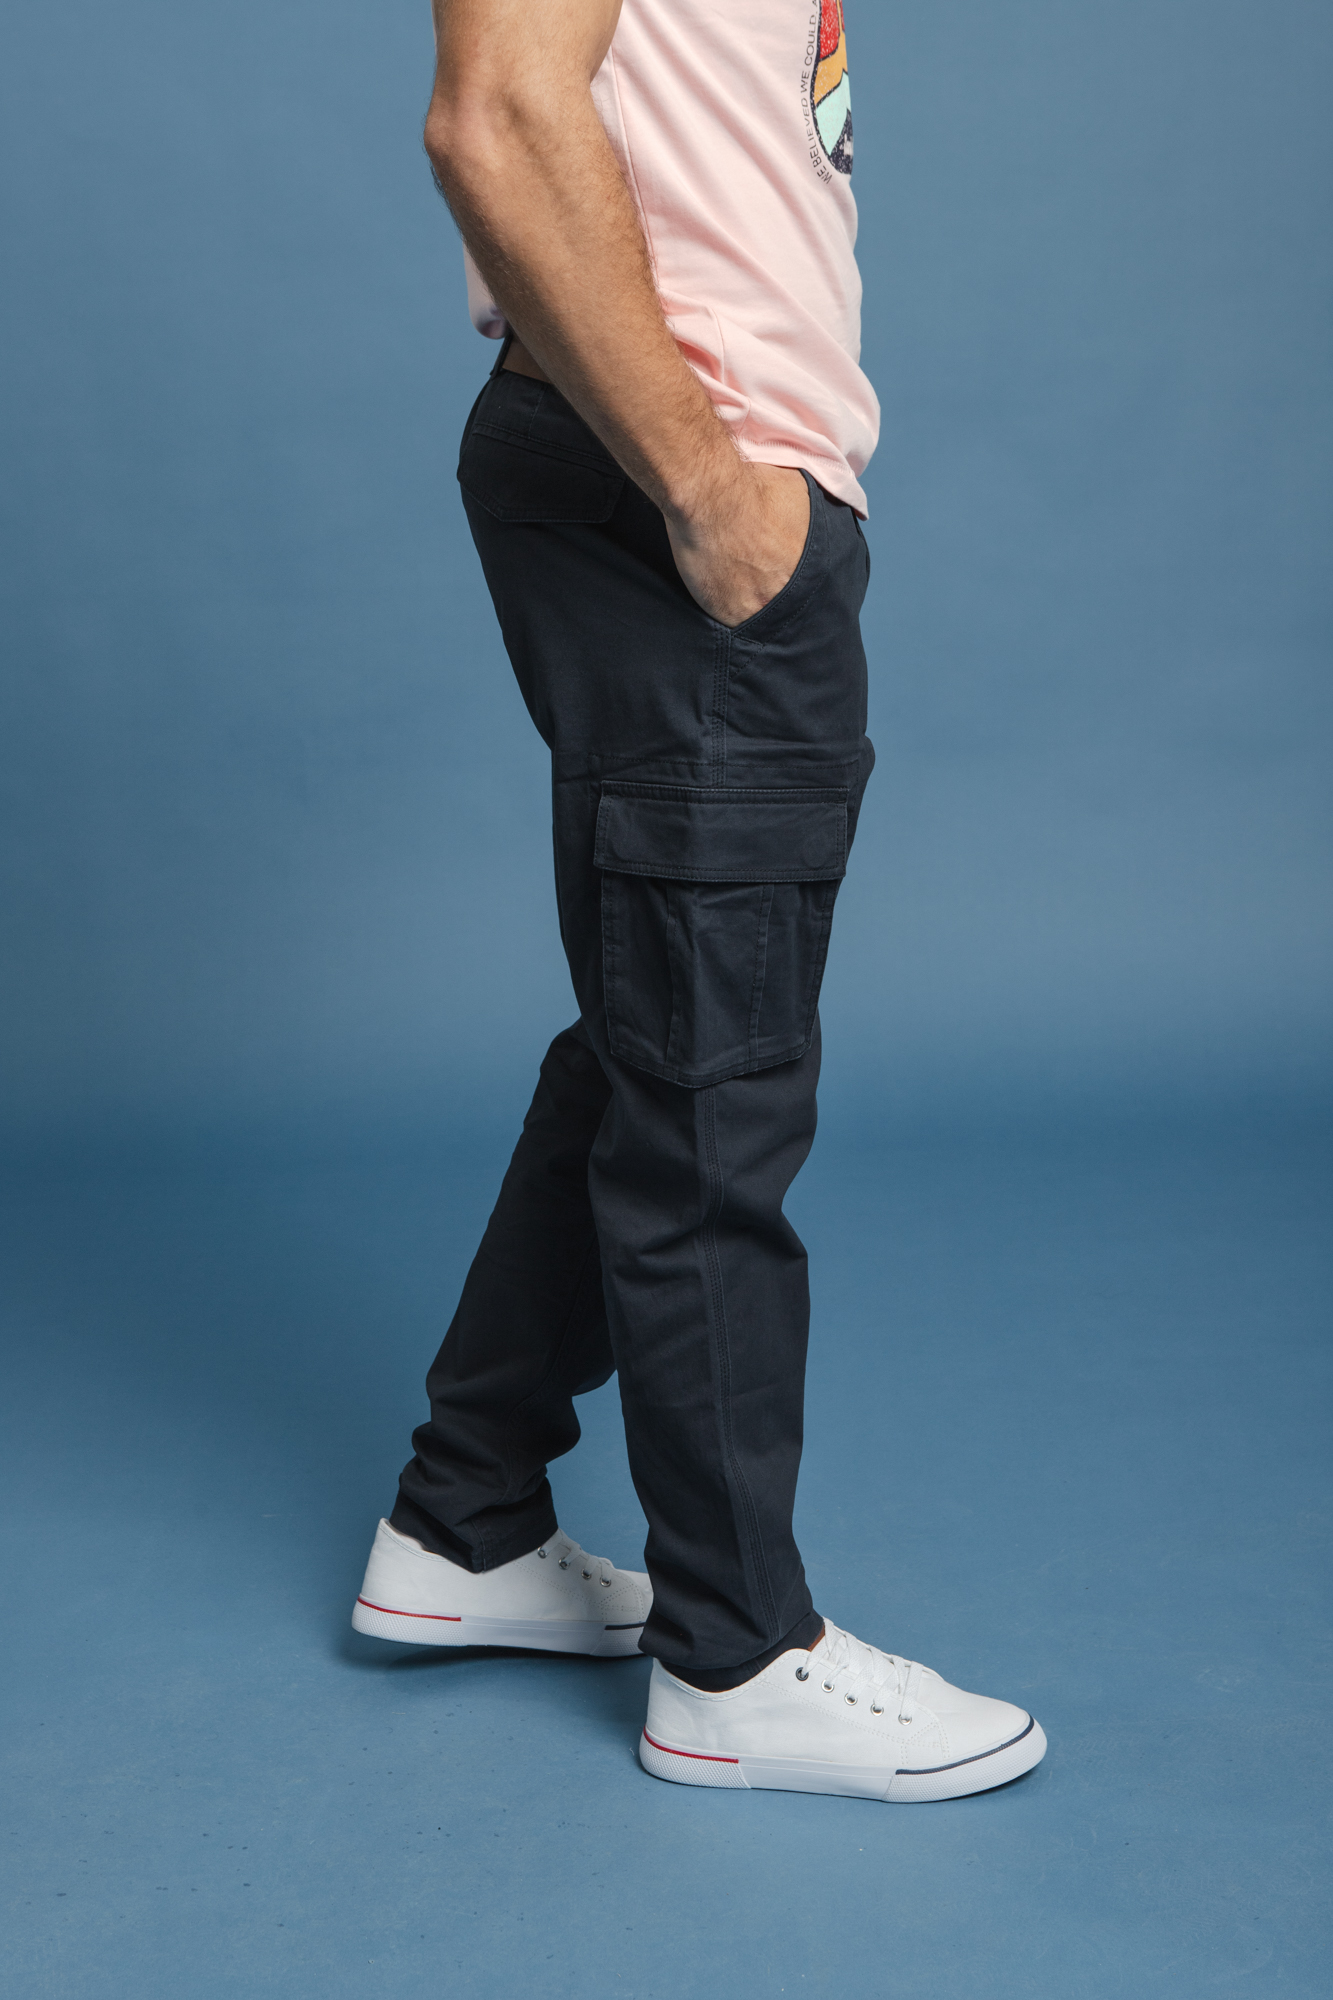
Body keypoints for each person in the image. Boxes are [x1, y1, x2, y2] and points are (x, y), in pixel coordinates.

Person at [352, 0, 1047, 1804]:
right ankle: (736, 1659)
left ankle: (465, 1519)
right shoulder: (695, 493)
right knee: (713, 1088)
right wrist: (710, 489)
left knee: (654, 1036)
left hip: (675, 482)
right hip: (678, 495)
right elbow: (496, 117)